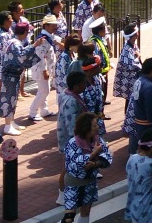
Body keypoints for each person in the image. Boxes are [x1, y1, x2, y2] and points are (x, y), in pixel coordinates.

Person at [61, 112, 112, 223]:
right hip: (74, 183)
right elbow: (76, 163)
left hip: (89, 182)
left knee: (86, 212)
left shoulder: (97, 141)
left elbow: (108, 156)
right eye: (94, 125)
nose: (97, 127)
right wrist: (93, 154)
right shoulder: (73, 143)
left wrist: (96, 164)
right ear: (86, 128)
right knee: (69, 217)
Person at [0, 22, 44, 135]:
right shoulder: (15, 44)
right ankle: (7, 126)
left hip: (13, 75)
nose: (29, 34)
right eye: (28, 31)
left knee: (13, 99)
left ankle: (11, 122)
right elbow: (22, 56)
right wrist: (34, 45)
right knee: (9, 99)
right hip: (10, 76)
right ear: (24, 32)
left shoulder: (14, 42)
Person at [56, 70, 89, 205]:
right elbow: (71, 124)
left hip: (69, 137)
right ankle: (62, 194)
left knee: (68, 165)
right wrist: (77, 142)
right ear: (76, 86)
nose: (85, 86)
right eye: (83, 84)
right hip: (69, 139)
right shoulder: (71, 101)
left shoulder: (66, 93)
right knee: (67, 167)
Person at [29, 14, 61, 121]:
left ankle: (44, 110)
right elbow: (41, 56)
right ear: (46, 26)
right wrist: (44, 70)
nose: (55, 27)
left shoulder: (49, 37)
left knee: (44, 89)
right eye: (53, 25)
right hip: (41, 70)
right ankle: (33, 111)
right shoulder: (42, 39)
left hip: (46, 68)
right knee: (44, 91)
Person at [128, 58, 152, 155]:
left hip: (138, 119)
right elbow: (151, 112)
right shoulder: (150, 87)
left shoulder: (139, 80)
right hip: (146, 124)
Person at [112, 25, 142, 102]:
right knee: (130, 100)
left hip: (132, 78)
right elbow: (131, 66)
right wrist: (138, 58)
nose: (138, 34)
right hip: (128, 79)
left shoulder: (133, 45)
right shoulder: (127, 50)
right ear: (134, 36)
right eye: (136, 33)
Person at [0, 10, 14, 101]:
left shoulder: (9, 30)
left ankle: (8, 98)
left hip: (10, 59)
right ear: (5, 21)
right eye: (10, 19)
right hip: (4, 61)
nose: (12, 20)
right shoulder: (1, 35)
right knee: (1, 80)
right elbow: (3, 49)